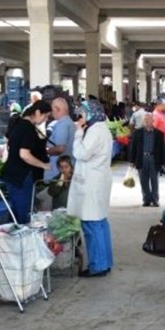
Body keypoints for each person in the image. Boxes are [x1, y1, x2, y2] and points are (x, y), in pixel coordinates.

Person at [68, 99, 115, 278]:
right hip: (98, 180)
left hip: (92, 183)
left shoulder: (95, 131)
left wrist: (78, 133)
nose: (81, 116)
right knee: (100, 223)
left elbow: (81, 153)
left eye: (83, 113)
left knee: (91, 224)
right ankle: (105, 262)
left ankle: (98, 265)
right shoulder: (102, 128)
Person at [0, 101, 51, 224]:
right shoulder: (28, 129)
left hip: (12, 174)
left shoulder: (18, 123)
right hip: (21, 177)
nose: (46, 120)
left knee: (17, 213)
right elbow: (24, 154)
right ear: (37, 112)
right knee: (24, 215)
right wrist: (44, 165)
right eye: (45, 116)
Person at [129, 113, 165, 207]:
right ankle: (146, 199)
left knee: (154, 180)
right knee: (143, 180)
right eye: (145, 120)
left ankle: (155, 199)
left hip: (154, 158)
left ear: (153, 121)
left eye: (149, 119)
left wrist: (162, 162)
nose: (147, 121)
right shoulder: (137, 133)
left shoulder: (159, 134)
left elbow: (162, 149)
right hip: (142, 158)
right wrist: (132, 161)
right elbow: (133, 147)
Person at [45, 98, 76, 181]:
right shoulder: (70, 122)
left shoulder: (63, 125)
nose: (52, 113)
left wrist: (46, 152)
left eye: (52, 110)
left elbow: (60, 148)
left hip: (58, 171)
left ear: (57, 109)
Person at [152, 100, 165, 175]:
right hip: (158, 139)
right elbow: (154, 127)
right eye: (164, 106)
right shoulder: (155, 114)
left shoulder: (162, 113)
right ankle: (158, 168)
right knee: (159, 153)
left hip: (163, 137)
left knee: (163, 153)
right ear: (159, 105)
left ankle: (161, 167)